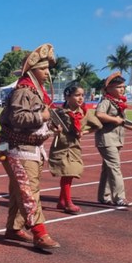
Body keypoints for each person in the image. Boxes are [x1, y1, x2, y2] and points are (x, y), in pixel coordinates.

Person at [0, 43, 61, 250]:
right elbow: (17, 117)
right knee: (28, 190)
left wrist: (49, 126)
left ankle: (14, 228)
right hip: (19, 149)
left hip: (29, 149)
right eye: (43, 69)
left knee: (18, 190)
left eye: (48, 69)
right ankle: (39, 233)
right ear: (33, 70)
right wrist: (41, 116)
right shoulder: (24, 90)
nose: (47, 73)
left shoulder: (35, 91)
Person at [94, 71, 132, 208]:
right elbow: (99, 114)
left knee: (108, 169)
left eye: (123, 87)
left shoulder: (118, 103)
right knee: (115, 168)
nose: (122, 89)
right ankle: (119, 197)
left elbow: (124, 122)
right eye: (118, 87)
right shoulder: (106, 101)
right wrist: (114, 119)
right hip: (106, 139)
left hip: (116, 139)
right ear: (108, 89)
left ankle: (104, 196)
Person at [48, 82, 101, 214]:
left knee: (70, 175)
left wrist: (84, 132)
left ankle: (62, 201)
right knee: (67, 173)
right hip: (61, 147)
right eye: (77, 95)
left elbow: (98, 125)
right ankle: (68, 203)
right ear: (67, 97)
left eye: (82, 95)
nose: (80, 98)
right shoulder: (59, 112)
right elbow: (49, 124)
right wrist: (54, 128)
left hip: (75, 148)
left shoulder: (84, 113)